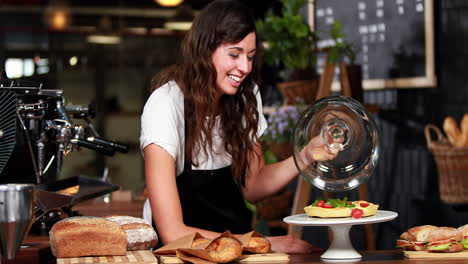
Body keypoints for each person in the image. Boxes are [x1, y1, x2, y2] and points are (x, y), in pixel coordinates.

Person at [140, 0, 336, 253]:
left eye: (250, 56)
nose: (245, 68)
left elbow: (253, 186)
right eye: (234, 54)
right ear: (204, 51)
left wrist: (306, 155)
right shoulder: (166, 104)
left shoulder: (245, 96)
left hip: (236, 251)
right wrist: (260, 243)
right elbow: (172, 232)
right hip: (181, 255)